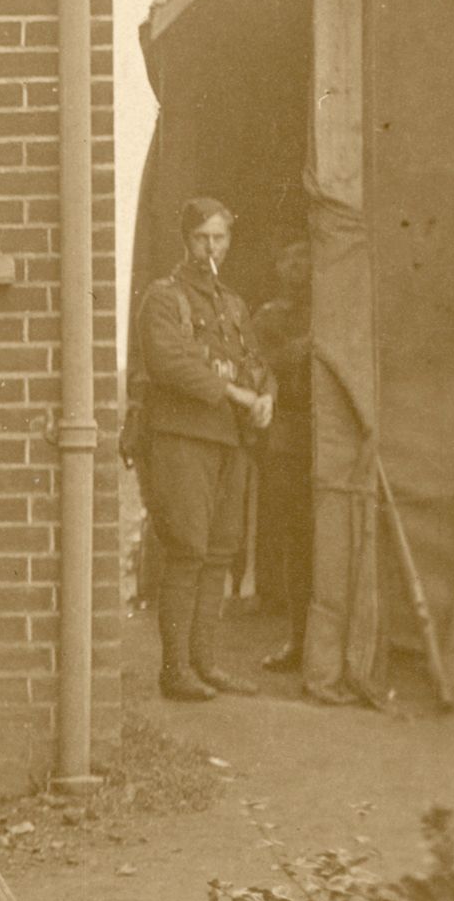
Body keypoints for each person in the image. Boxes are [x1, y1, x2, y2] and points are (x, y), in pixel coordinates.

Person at [133, 196, 273, 702]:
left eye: (220, 238)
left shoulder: (233, 305)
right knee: (188, 550)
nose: (210, 247)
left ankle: (205, 664)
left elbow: (257, 362)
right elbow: (169, 360)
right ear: (185, 240)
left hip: (228, 442)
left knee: (219, 553)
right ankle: (175, 671)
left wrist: (267, 396)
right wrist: (235, 392)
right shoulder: (164, 298)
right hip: (182, 439)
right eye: (201, 238)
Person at [249, 236, 316, 674]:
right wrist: (317, 339)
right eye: (289, 257)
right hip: (291, 436)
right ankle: (299, 640)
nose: (298, 267)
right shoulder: (269, 318)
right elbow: (275, 361)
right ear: (277, 267)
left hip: (333, 434)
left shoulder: (338, 309)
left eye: (305, 257)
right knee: (297, 539)